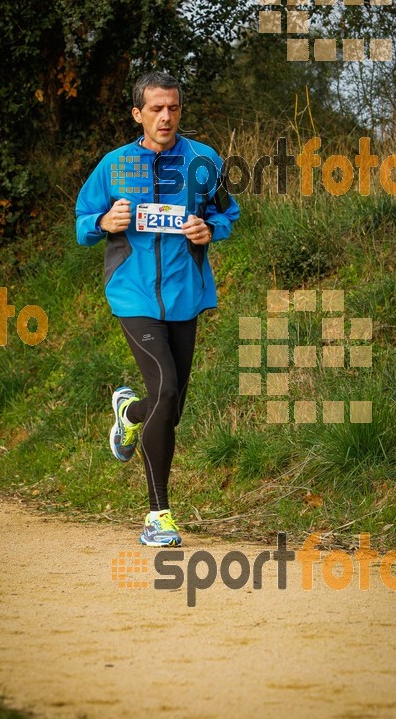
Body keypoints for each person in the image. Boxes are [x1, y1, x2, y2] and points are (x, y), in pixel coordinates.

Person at [75, 70, 240, 547]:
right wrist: (105, 220)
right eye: (155, 109)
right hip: (133, 294)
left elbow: (228, 213)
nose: (166, 116)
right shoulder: (114, 165)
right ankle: (158, 515)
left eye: (173, 108)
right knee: (166, 390)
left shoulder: (203, 161)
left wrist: (212, 231)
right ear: (137, 114)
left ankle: (129, 415)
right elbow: (83, 223)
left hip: (186, 294)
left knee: (171, 405)